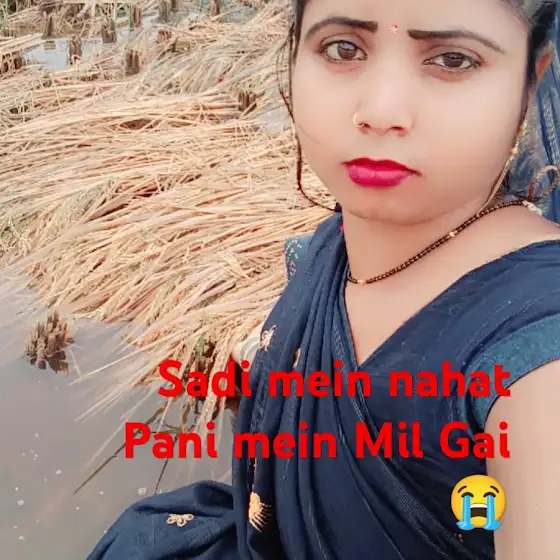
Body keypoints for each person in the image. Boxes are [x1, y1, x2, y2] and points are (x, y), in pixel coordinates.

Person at [88, 0, 560, 558]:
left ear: (531, 80)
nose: (380, 112)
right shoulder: (330, 246)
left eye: (453, 59)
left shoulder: (537, 354)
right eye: (342, 48)